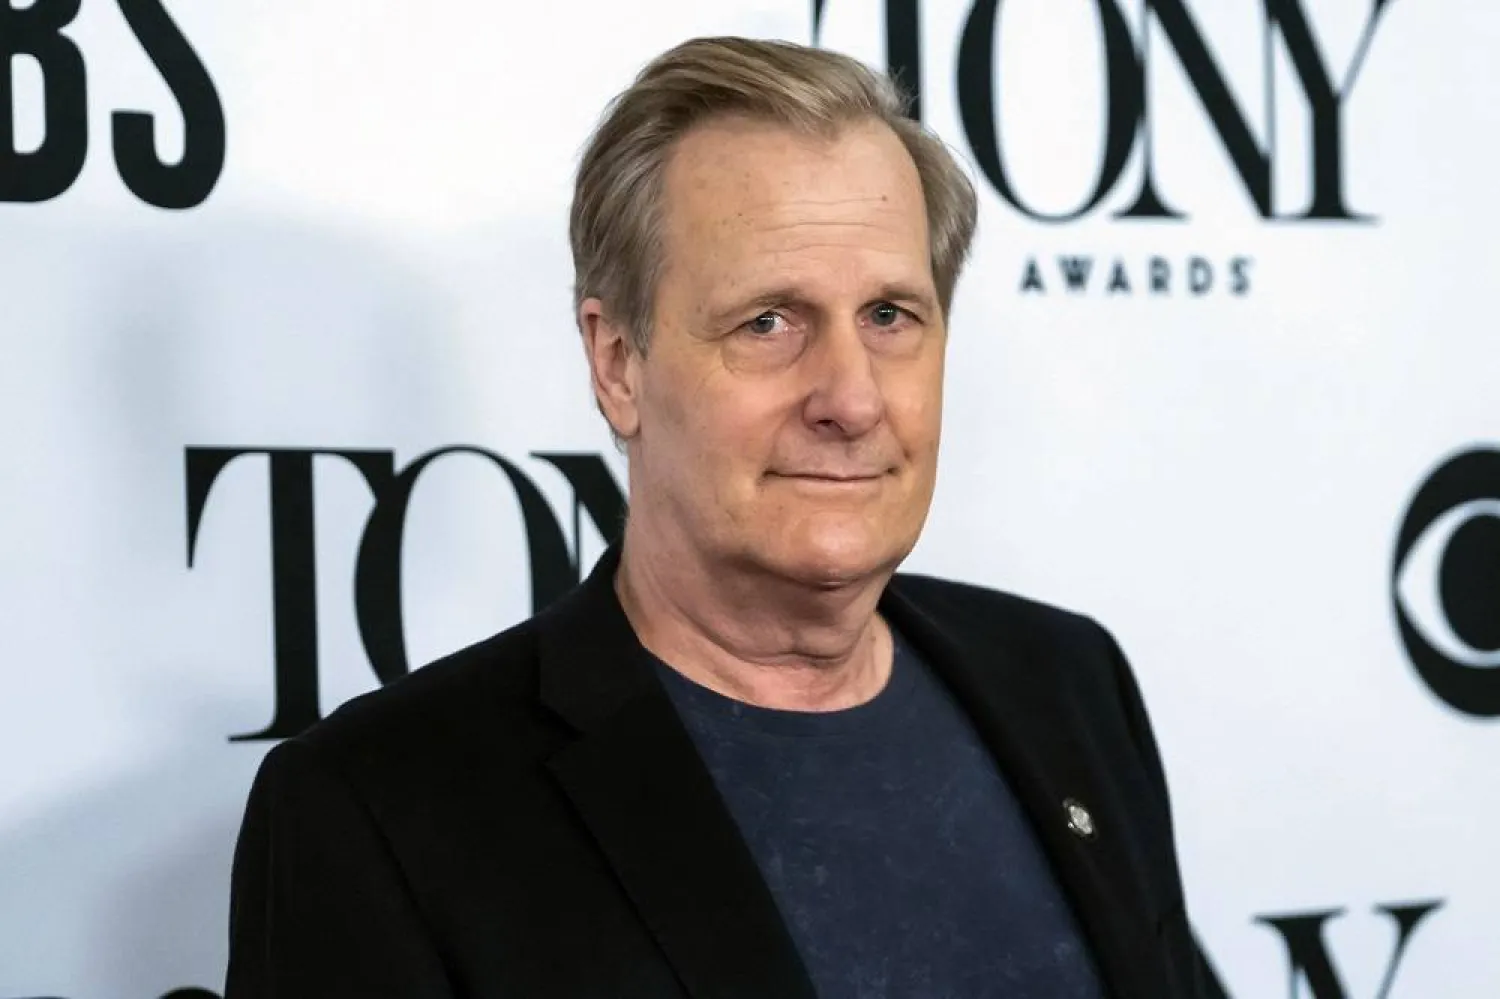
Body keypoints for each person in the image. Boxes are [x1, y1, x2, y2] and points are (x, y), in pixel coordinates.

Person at [225, 36, 1207, 999]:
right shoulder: (382, 813)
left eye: (890, 317)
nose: (851, 398)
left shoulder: (1069, 683)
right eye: (768, 322)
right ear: (618, 364)